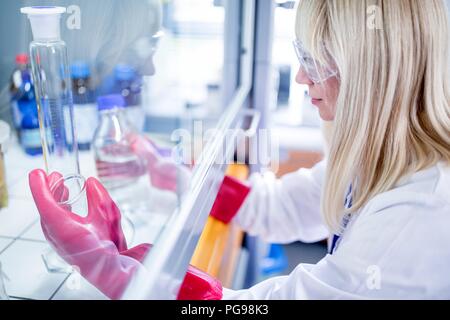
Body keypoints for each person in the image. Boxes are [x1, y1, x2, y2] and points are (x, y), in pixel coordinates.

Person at [29, 0, 450, 299]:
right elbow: (282, 207)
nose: (301, 77)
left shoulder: (419, 213)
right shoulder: (382, 157)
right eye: (299, 55)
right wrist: (169, 170)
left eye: (317, 59)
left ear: (373, 69)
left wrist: (116, 273)